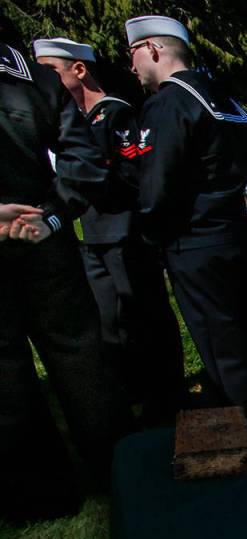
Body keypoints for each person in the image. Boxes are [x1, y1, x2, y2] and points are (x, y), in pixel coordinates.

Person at [0, 29, 120, 521]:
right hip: (44, 233)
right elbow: (83, 160)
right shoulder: (28, 74)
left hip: (37, 236)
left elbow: (84, 156)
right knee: (79, 354)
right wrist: (52, 215)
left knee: (13, 369)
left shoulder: (30, 77)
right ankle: (115, 470)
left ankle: (42, 494)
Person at [33, 36, 184, 424]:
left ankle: (166, 397)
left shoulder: (115, 115)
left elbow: (133, 176)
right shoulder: (74, 124)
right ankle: (130, 391)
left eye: (51, 70)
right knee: (108, 324)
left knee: (145, 317)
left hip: (125, 232)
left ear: (79, 70)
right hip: (95, 236)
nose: (42, 79)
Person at [126, 15, 247, 412]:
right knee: (245, 335)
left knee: (220, 346)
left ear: (152, 49)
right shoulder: (219, 97)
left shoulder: (169, 102)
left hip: (194, 241)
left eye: (133, 54)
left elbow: (157, 185)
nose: (131, 67)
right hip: (232, 233)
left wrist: (146, 235)